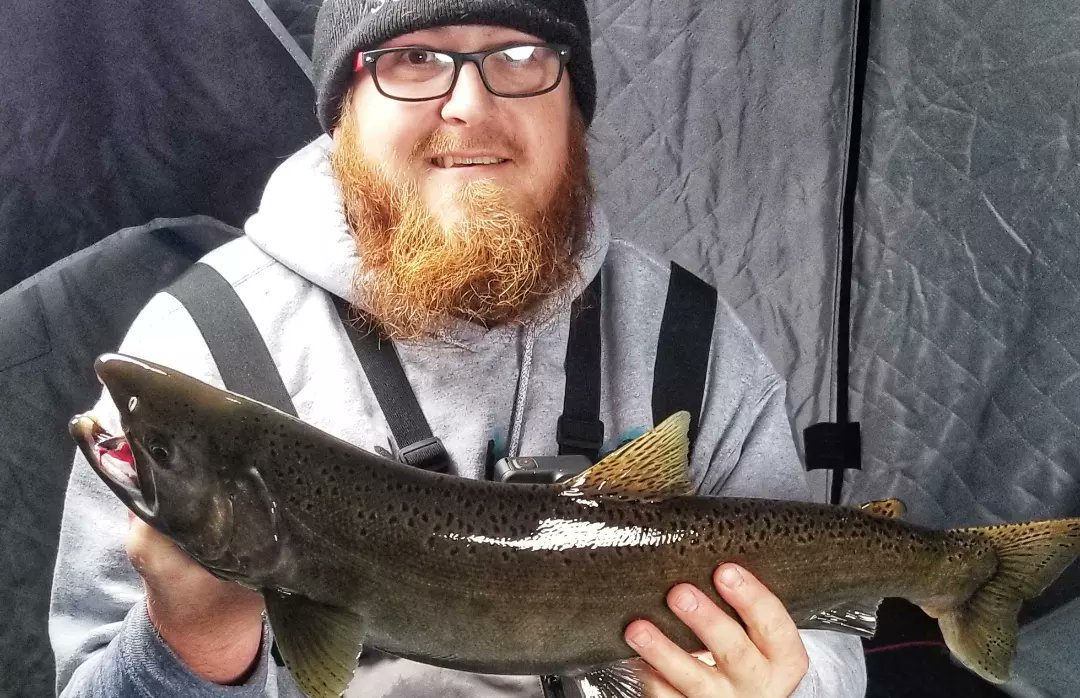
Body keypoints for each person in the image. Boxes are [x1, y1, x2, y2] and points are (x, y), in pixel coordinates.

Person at [49, 0, 868, 696]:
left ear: (573, 107)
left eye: (518, 56)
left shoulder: (692, 339)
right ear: (344, 108)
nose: (469, 105)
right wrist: (186, 644)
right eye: (411, 59)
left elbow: (832, 638)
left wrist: (791, 684)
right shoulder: (196, 349)